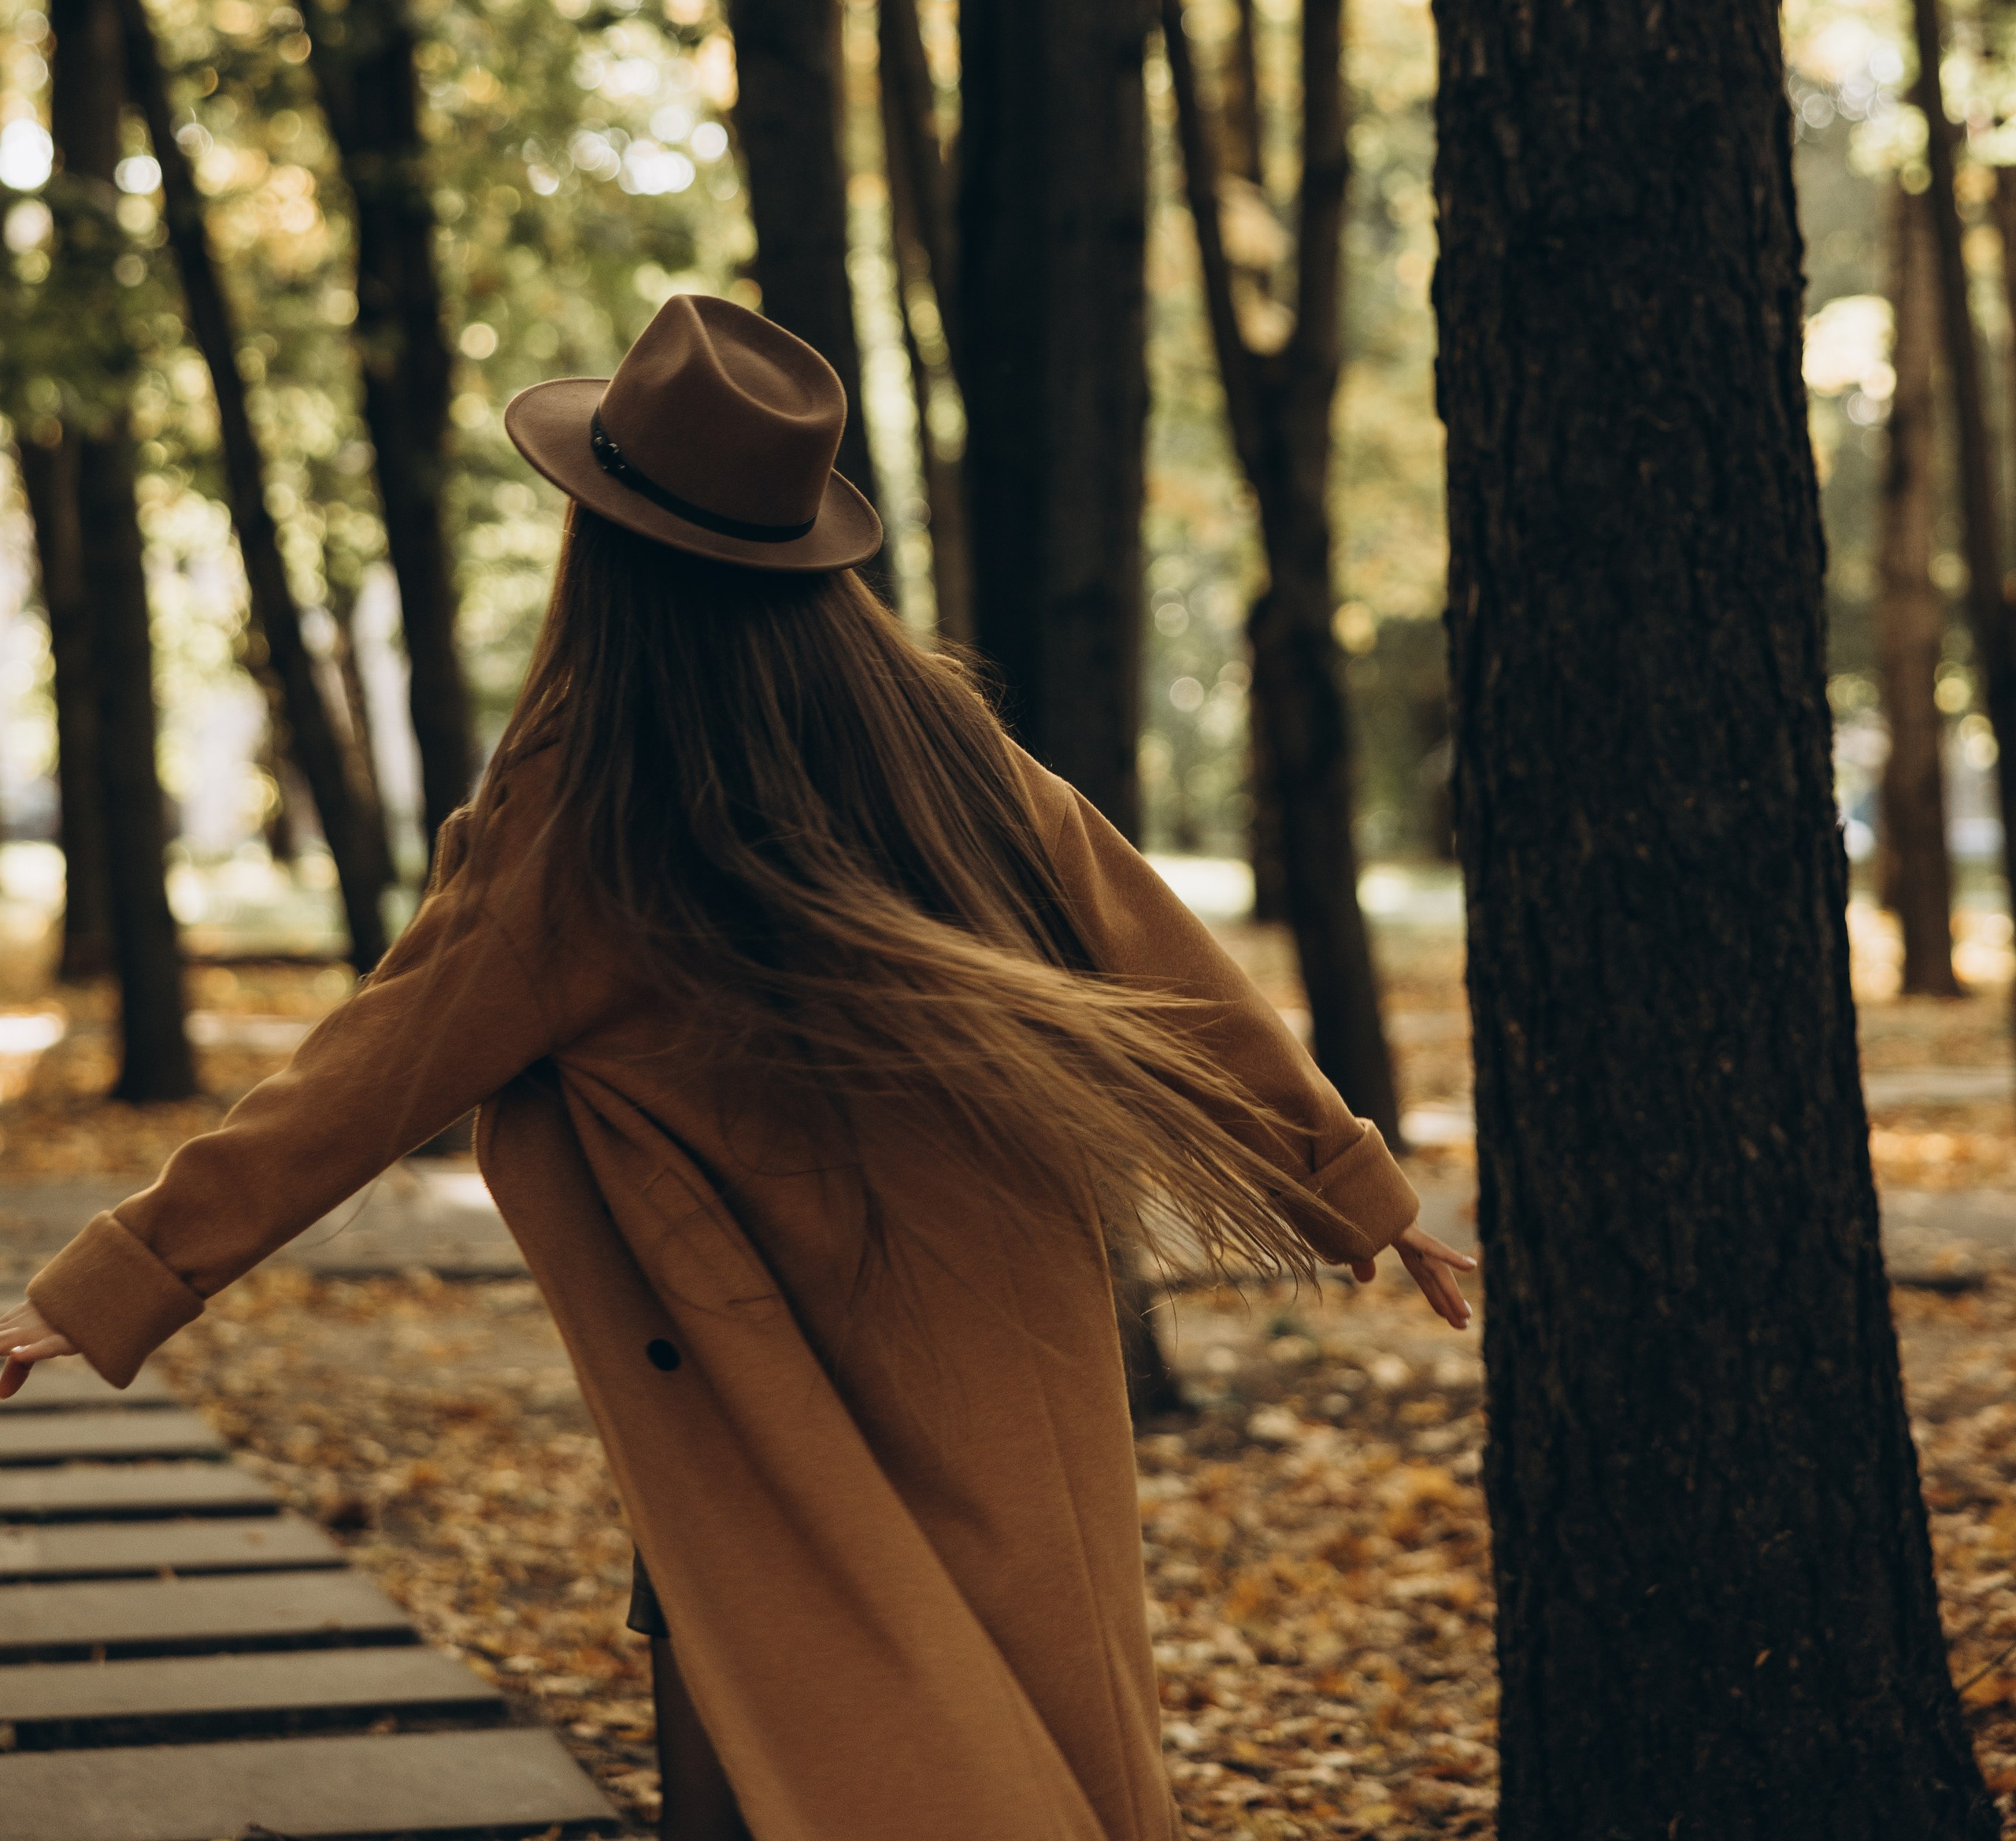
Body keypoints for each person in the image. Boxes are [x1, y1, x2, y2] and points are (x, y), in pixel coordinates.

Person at [0, 295, 1473, 1841]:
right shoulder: (934, 741)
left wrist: (108, 1283)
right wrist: (1347, 1190)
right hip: (989, 1326)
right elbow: (1167, 961)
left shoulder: (591, 830)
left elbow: (373, 1069)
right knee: (970, 1716)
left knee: (823, 1709)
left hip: (771, 1358)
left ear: (603, 548)